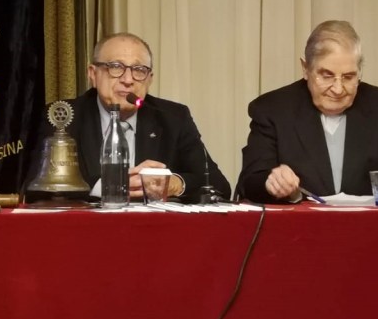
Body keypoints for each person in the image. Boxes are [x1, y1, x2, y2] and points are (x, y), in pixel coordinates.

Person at [238, 20, 378, 203]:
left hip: (373, 229)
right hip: (298, 229)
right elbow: (249, 183)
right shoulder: (272, 110)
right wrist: (271, 183)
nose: (337, 89)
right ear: (305, 69)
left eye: (348, 77)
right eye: (327, 75)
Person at [31, 32, 231, 203]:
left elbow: (218, 185)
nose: (128, 80)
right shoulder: (64, 117)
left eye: (139, 70)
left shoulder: (172, 117)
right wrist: (110, 186)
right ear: (93, 74)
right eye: (115, 67)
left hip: (152, 230)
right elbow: (34, 190)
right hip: (85, 230)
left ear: (149, 79)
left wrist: (174, 184)